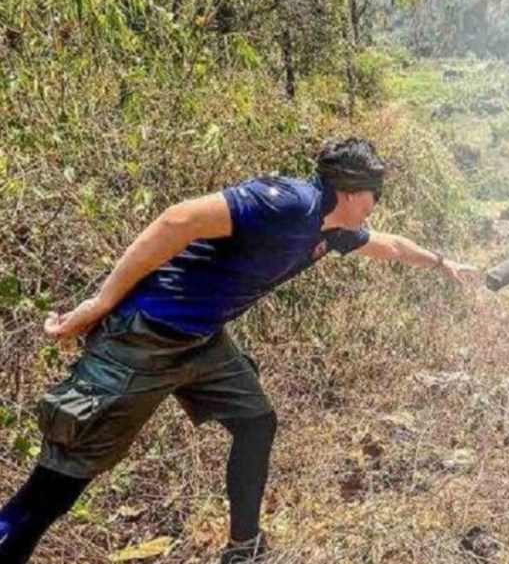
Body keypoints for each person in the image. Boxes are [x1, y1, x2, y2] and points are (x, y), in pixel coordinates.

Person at [0, 138, 477, 563]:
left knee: (256, 421)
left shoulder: (331, 231)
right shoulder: (290, 203)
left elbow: (390, 246)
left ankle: (244, 547)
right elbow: (178, 219)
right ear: (353, 190)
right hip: (144, 338)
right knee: (58, 487)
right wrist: (102, 302)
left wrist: (442, 263)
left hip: (203, 341)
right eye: (377, 195)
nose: (377, 206)